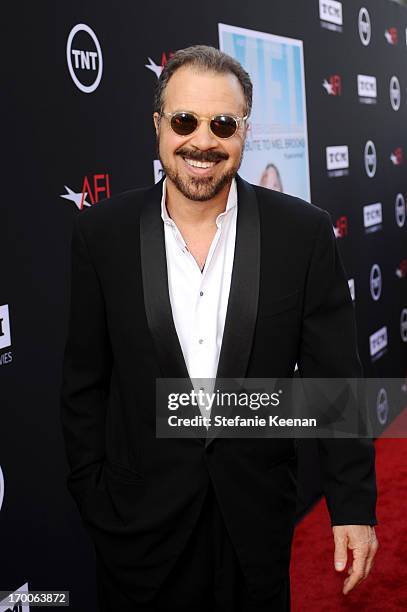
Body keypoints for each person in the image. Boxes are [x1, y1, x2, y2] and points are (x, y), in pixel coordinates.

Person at [60, 45, 378, 611]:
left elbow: (335, 383)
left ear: (244, 132)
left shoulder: (302, 235)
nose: (202, 141)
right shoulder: (101, 237)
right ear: (158, 127)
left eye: (222, 124)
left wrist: (352, 507)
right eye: (184, 121)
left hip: (255, 523)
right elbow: (85, 385)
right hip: (137, 529)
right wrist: (94, 495)